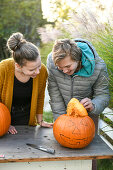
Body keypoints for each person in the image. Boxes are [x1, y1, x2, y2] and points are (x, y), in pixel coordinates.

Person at [47, 38, 110, 129]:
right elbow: (55, 97)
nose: (64, 71)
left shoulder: (99, 66)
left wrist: (93, 105)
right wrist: (60, 123)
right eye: (60, 68)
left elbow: (103, 95)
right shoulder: (52, 62)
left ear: (78, 59)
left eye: (68, 66)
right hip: (63, 116)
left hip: (88, 119)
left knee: (89, 141)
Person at [0, 32, 53, 134]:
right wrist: (4, 123)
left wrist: (40, 120)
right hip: (3, 122)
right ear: (18, 66)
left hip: (27, 123)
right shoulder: (3, 69)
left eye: (39, 66)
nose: (37, 72)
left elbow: (40, 97)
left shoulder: (42, 71)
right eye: (32, 69)